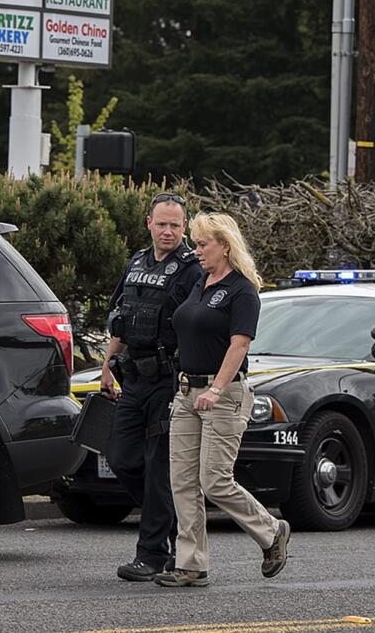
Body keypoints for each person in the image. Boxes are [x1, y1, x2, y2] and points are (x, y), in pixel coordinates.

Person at [154, 212, 290, 588]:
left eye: (202, 244)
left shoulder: (242, 290)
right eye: (195, 244)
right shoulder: (200, 282)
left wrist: (215, 389)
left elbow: (240, 343)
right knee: (182, 481)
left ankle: (271, 530)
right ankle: (191, 564)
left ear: (225, 246)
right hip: (185, 393)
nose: (196, 251)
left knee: (214, 480)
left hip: (223, 394)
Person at [100, 193, 204, 582]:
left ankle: (151, 554)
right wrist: (107, 365)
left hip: (168, 381)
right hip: (133, 378)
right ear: (149, 223)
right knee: (122, 458)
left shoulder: (192, 270)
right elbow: (121, 320)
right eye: (162, 223)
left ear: (184, 227)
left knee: (160, 468)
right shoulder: (137, 264)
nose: (168, 231)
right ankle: (175, 523)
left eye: (176, 225)